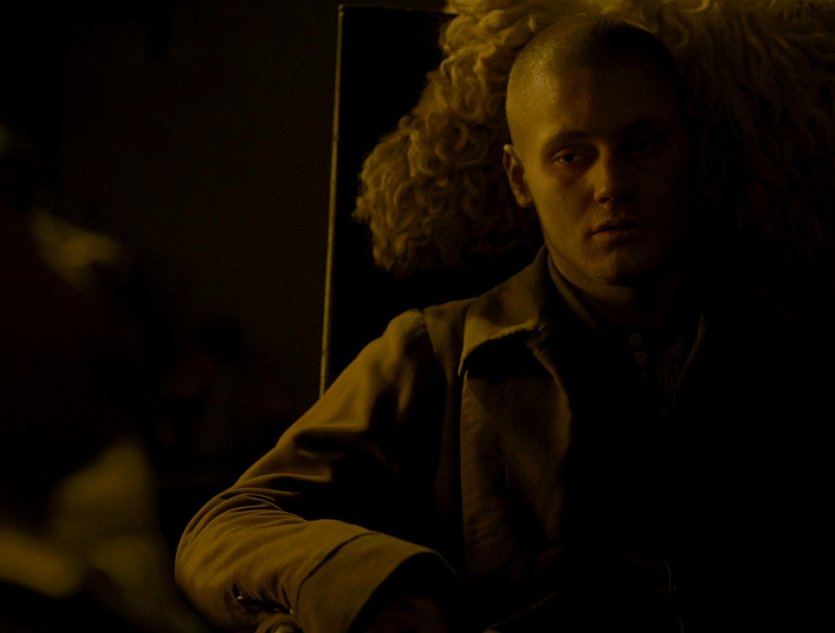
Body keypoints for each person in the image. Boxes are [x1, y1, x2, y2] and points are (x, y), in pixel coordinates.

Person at [174, 14, 831, 633]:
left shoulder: (786, 352)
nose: (611, 184)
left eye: (641, 145)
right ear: (519, 177)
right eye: (571, 155)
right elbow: (227, 525)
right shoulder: (436, 353)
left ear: (689, 148)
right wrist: (374, 585)